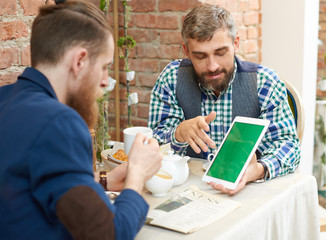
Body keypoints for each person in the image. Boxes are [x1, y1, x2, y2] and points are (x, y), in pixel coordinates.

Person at [0, 0, 162, 239]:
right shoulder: (59, 122)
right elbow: (108, 234)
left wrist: (103, 181)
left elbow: (36, 183)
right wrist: (137, 173)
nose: (106, 81)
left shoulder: (5, 99)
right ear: (79, 61)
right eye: (105, 66)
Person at [148, 4, 300, 195]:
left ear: (235, 43)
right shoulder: (172, 78)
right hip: (186, 192)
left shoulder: (265, 83)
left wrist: (258, 170)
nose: (212, 66)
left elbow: (289, 147)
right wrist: (177, 133)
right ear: (186, 51)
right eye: (200, 56)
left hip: (249, 193)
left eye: (220, 53)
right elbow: (152, 145)